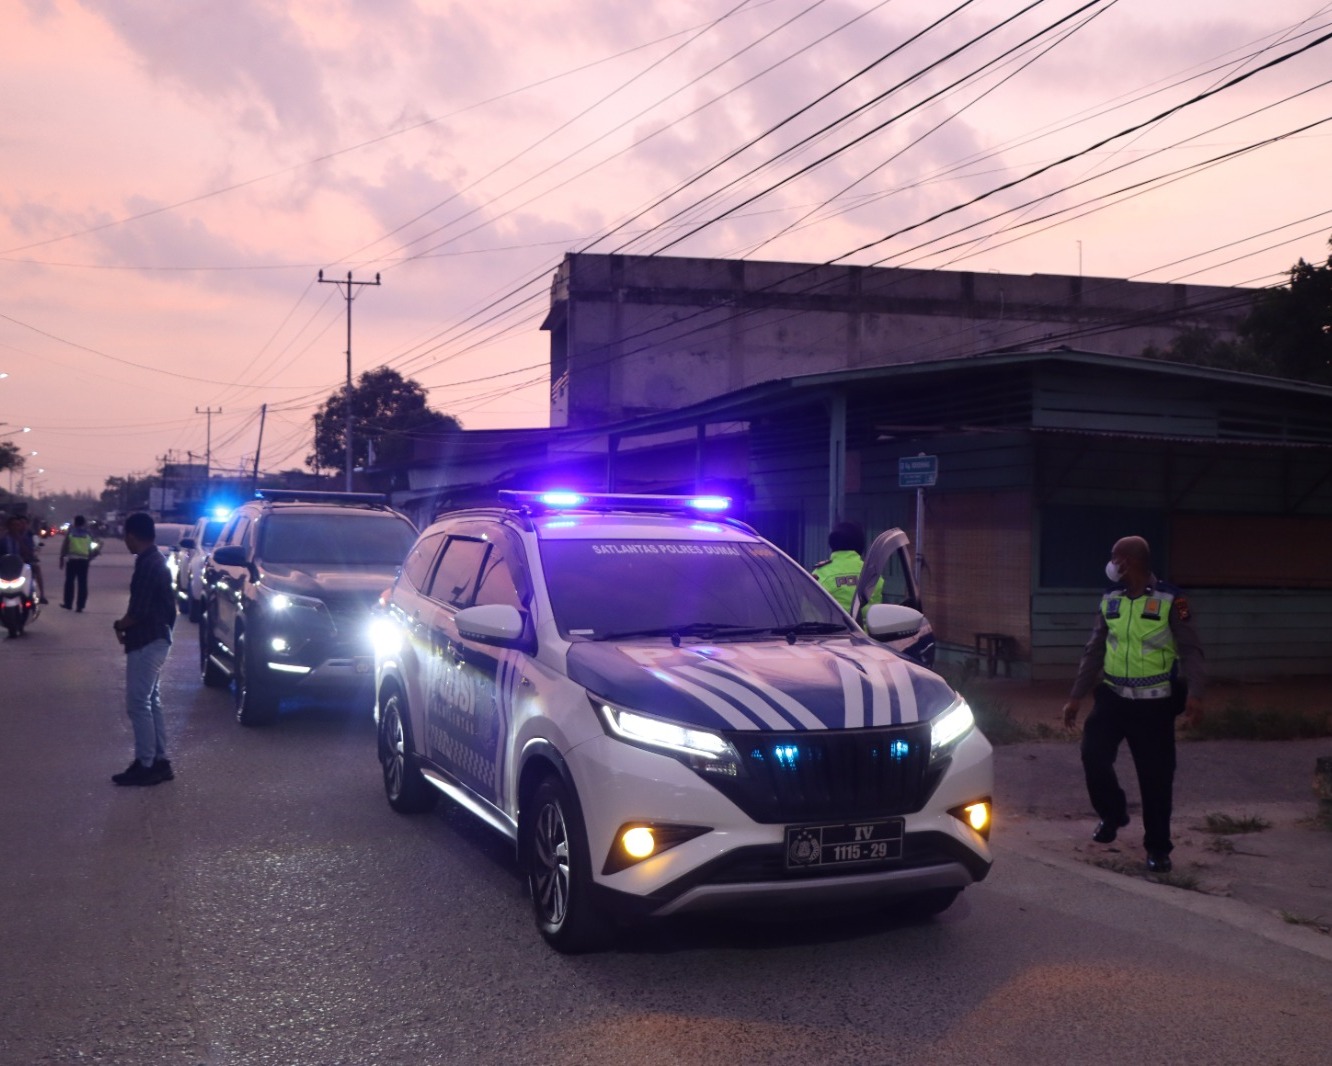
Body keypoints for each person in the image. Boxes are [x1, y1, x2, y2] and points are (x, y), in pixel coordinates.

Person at [1061, 536, 1205, 873]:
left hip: (1154, 705)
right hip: (1112, 699)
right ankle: (1113, 814)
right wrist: (1075, 696)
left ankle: (1158, 848)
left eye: (1115, 557)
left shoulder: (1174, 599)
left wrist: (1196, 694)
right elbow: (1094, 649)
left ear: (1128, 561)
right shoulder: (1110, 598)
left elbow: (1191, 649)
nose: (1111, 564)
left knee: (1156, 778)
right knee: (1093, 756)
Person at [111, 512, 178, 787]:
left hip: (148, 641)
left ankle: (146, 764)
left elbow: (138, 610)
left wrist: (120, 625)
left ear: (131, 535)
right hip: (157, 638)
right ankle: (159, 761)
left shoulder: (148, 564)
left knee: (138, 703)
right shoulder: (155, 560)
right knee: (151, 701)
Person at [812, 521, 882, 617]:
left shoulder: (820, 574)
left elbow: (810, 616)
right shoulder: (873, 574)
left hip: (836, 632)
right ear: (861, 545)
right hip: (866, 632)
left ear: (832, 544)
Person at [59, 515, 98, 611]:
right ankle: (80, 606)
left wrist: (61, 558)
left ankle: (68, 604)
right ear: (84, 523)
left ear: (75, 523)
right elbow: (94, 546)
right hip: (84, 561)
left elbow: (65, 546)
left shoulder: (71, 533)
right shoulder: (88, 534)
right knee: (82, 583)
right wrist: (91, 557)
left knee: (69, 582)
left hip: (72, 560)